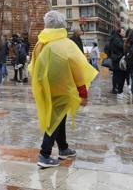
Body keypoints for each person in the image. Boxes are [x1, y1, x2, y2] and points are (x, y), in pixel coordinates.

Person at [29, 11, 97, 168]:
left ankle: (63, 148)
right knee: (55, 119)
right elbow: (77, 70)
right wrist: (83, 93)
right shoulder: (65, 44)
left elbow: (33, 65)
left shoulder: (40, 43)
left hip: (44, 87)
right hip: (63, 89)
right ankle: (44, 154)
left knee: (59, 117)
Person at [108, 28, 127, 94]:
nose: (124, 32)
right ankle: (115, 89)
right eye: (123, 31)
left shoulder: (117, 38)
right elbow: (122, 46)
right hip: (117, 59)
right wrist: (126, 42)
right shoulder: (116, 39)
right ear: (119, 33)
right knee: (117, 74)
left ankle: (116, 88)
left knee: (116, 74)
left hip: (117, 59)